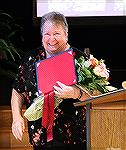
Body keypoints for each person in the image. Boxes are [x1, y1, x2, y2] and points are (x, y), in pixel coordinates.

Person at [11, 11, 91, 150]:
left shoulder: (80, 59)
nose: (51, 39)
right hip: (40, 137)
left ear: (66, 35)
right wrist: (16, 117)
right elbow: (18, 90)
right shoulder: (31, 58)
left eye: (57, 34)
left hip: (74, 138)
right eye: (47, 34)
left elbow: (94, 94)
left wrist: (75, 93)